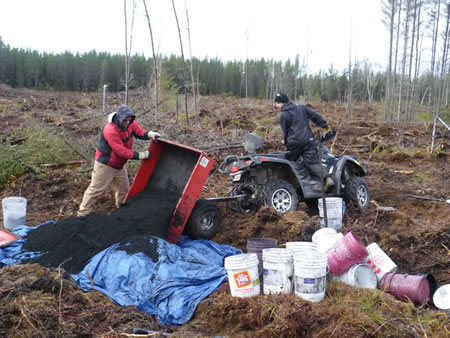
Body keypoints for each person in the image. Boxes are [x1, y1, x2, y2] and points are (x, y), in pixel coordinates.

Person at [77, 104, 160, 217]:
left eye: (129, 120)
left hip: (119, 165)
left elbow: (139, 131)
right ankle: (82, 214)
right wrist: (140, 155)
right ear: (119, 118)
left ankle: (121, 212)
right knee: (96, 189)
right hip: (105, 165)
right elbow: (121, 151)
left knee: (124, 190)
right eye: (125, 120)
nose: (127, 122)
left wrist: (150, 134)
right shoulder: (110, 130)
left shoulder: (130, 122)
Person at [274, 93, 334, 192]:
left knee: (289, 162)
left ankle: (295, 184)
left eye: (277, 103)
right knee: (313, 162)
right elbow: (315, 116)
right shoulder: (301, 108)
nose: (275, 105)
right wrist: (325, 126)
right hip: (308, 141)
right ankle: (327, 179)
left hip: (294, 143)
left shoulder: (284, 114)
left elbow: (285, 131)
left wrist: (285, 141)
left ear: (283, 103)